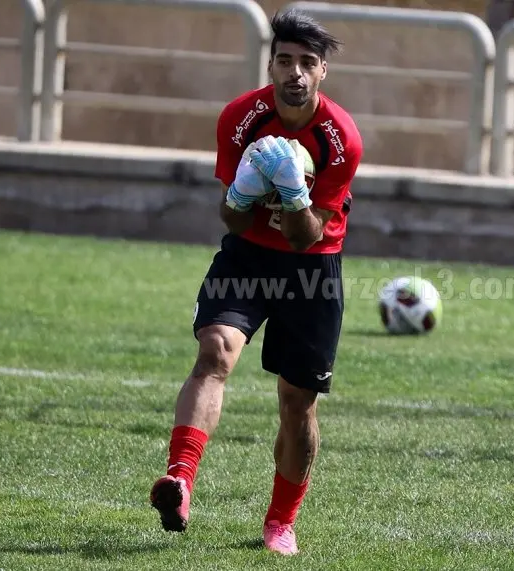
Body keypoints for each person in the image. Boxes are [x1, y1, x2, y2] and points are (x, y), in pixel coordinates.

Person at [149, 8, 362, 556]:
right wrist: (243, 191)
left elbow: (305, 236)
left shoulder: (341, 139)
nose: (295, 73)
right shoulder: (240, 118)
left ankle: (280, 523)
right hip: (247, 257)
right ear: (270, 65)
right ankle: (179, 480)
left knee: (297, 402)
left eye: (307, 63)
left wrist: (293, 192)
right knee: (215, 351)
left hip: (311, 267)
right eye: (285, 60)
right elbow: (233, 220)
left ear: (322, 72)